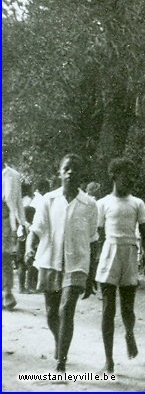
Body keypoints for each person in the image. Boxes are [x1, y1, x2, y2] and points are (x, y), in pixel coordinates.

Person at [25, 154, 98, 372]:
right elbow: (35, 231)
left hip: (77, 264)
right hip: (49, 261)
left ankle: (61, 361)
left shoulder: (89, 204)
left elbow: (94, 240)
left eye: (75, 169)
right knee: (51, 312)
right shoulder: (48, 200)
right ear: (60, 172)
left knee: (66, 309)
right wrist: (29, 248)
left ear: (80, 174)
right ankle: (59, 342)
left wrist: (92, 272)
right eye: (66, 168)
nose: (70, 172)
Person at [94, 158, 145, 373]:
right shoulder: (103, 203)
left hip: (129, 254)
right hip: (109, 255)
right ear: (114, 175)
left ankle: (129, 333)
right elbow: (97, 237)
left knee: (128, 309)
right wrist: (94, 265)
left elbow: (144, 235)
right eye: (126, 174)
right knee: (108, 310)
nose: (130, 179)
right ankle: (109, 360)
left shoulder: (137, 203)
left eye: (132, 175)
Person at [3, 162, 29, 310]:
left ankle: (7, 293)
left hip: (6, 220)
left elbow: (17, 201)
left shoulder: (13, 175)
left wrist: (22, 222)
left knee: (5, 256)